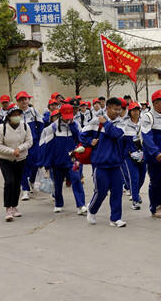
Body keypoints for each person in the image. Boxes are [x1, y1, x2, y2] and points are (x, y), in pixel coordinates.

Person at [82, 97, 127, 227]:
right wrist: (90, 142)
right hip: (100, 164)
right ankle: (92, 209)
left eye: (119, 109)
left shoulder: (121, 122)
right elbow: (83, 134)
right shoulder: (96, 121)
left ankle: (115, 218)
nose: (118, 112)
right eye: (115, 109)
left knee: (117, 192)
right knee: (101, 192)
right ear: (107, 108)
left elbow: (116, 134)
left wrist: (106, 123)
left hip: (116, 164)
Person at [39, 104, 87, 214]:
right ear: (61, 115)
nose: (68, 118)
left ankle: (81, 205)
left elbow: (81, 139)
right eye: (66, 116)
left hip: (73, 159)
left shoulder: (76, 124)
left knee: (76, 179)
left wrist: (74, 128)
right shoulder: (53, 127)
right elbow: (43, 142)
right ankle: (58, 203)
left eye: (70, 115)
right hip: (58, 160)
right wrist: (45, 160)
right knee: (58, 183)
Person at [0, 106, 33, 221]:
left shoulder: (25, 126)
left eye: (18, 114)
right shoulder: (2, 128)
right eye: (14, 114)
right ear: (9, 116)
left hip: (21, 159)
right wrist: (11, 151)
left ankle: (15, 206)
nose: (17, 117)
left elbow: (29, 141)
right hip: (6, 160)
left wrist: (19, 149)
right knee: (9, 181)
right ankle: (8, 208)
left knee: (17, 183)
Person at [141, 90, 161, 218]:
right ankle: (156, 207)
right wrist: (156, 153)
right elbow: (146, 138)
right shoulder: (148, 117)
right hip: (154, 158)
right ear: (155, 103)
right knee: (156, 183)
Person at [15, 91, 43, 201]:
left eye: (25, 99)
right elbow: (10, 128)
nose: (24, 101)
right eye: (21, 99)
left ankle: (31, 179)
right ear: (17, 102)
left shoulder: (33, 112)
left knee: (36, 163)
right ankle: (25, 190)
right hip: (21, 144)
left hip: (34, 142)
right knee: (22, 166)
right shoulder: (15, 114)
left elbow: (40, 126)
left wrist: (40, 140)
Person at [120, 102, 146, 212]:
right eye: (133, 110)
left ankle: (136, 192)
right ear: (130, 112)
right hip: (129, 156)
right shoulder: (124, 124)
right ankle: (135, 200)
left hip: (143, 156)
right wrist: (129, 153)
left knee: (142, 177)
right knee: (134, 177)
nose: (136, 112)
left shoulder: (144, 123)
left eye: (137, 110)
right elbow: (122, 142)